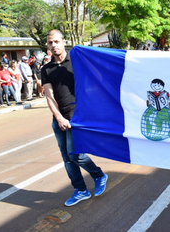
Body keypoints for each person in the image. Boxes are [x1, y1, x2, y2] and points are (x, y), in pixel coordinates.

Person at [41, 29, 108, 207]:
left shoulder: (78, 61)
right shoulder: (46, 69)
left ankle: (98, 175)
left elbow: (97, 79)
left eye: (56, 41)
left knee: (75, 154)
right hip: (59, 118)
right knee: (66, 157)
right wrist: (59, 118)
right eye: (50, 43)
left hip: (77, 116)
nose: (53, 45)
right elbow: (49, 96)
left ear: (64, 41)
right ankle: (80, 189)